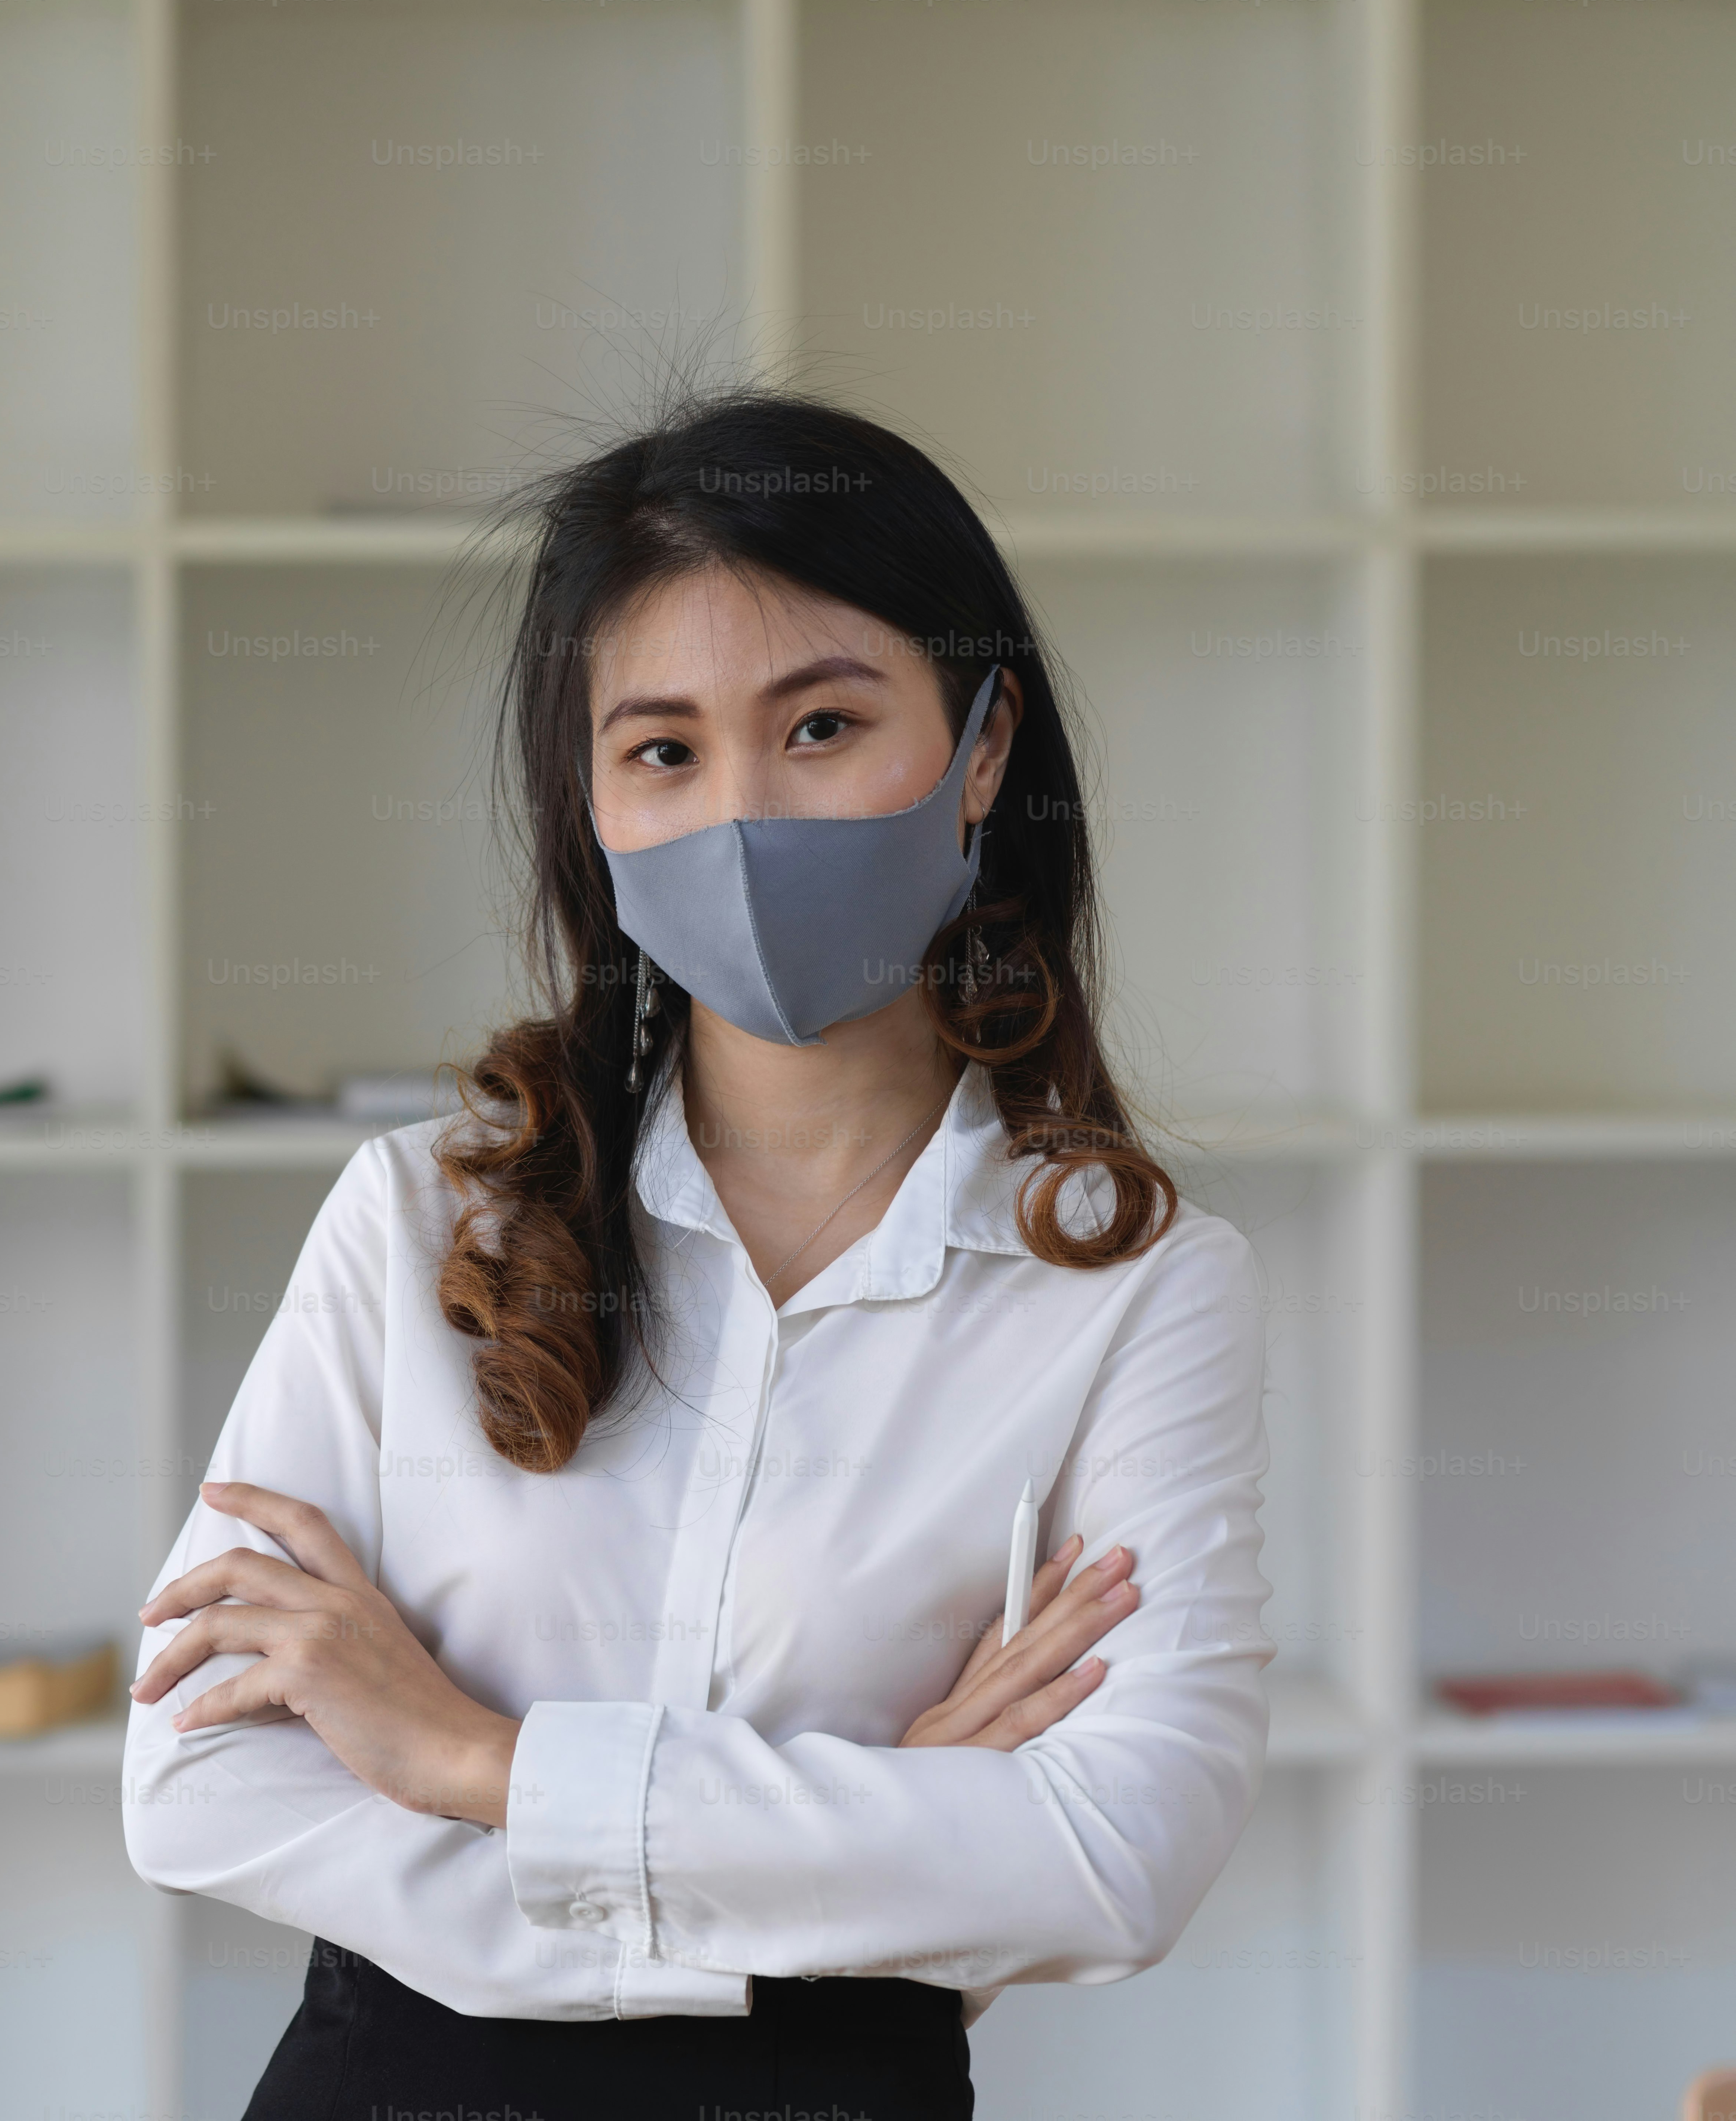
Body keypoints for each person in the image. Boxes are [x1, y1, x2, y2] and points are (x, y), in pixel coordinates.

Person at [120, 387, 1276, 2120]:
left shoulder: (1135, 1292)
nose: (744, 815)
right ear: (589, 804)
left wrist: (469, 1761)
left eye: (820, 727)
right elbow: (200, 1782)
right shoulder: (420, 1218)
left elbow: (1120, 1851)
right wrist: (864, 1839)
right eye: (662, 750)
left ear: (980, 748)